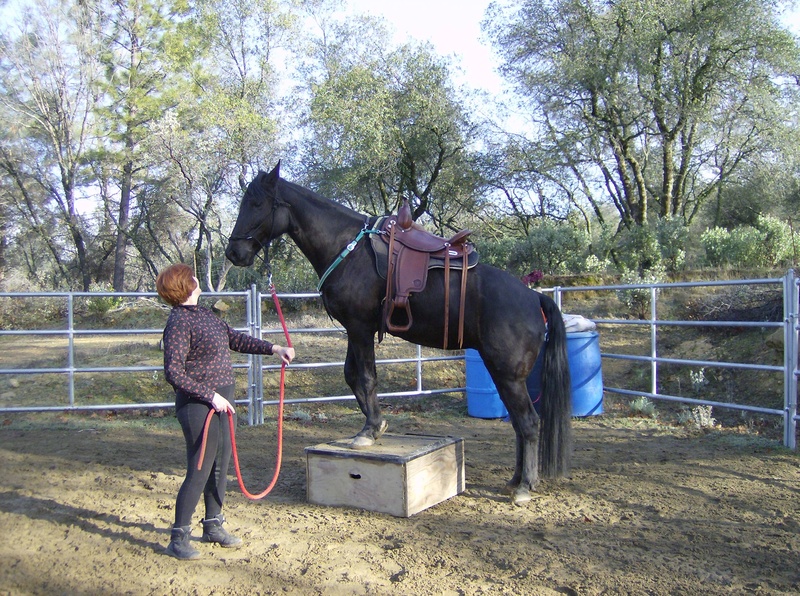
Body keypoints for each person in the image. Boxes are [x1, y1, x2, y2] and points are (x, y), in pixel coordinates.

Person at [156, 263, 295, 560]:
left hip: (222, 401)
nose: (196, 278)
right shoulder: (178, 322)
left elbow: (236, 339)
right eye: (192, 276)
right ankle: (178, 537)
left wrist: (275, 349)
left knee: (220, 466)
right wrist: (210, 396)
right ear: (185, 285)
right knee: (199, 469)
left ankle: (213, 525)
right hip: (198, 406)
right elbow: (173, 372)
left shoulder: (205, 315)